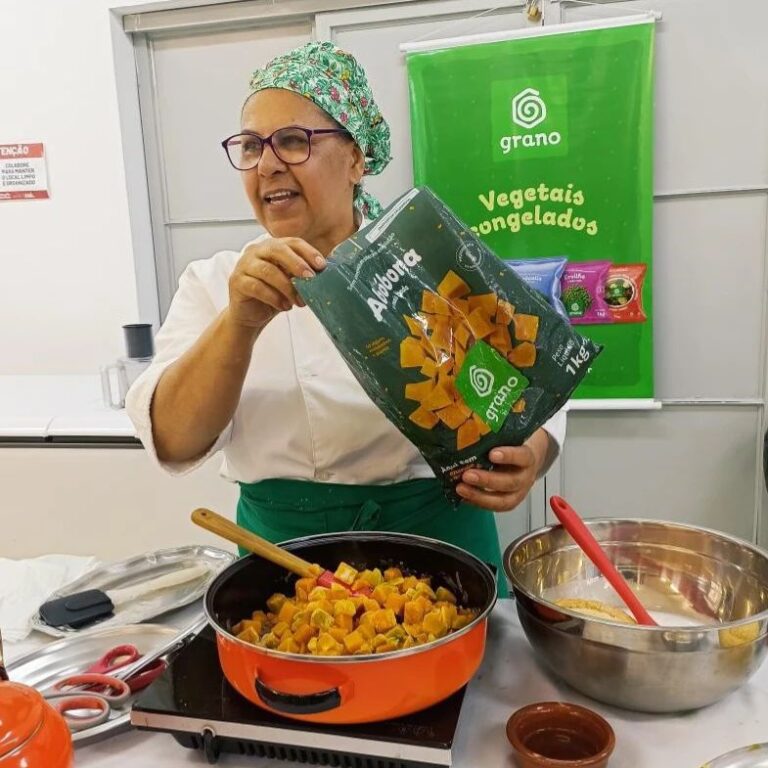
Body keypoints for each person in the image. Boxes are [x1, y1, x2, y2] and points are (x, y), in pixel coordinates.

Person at [126, 41, 565, 593]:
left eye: (292, 140)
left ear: (356, 159)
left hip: (440, 553)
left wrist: (532, 453)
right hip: (281, 569)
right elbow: (173, 440)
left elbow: (534, 383)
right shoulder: (214, 286)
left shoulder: (428, 258)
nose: (267, 164)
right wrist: (239, 322)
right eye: (251, 145)